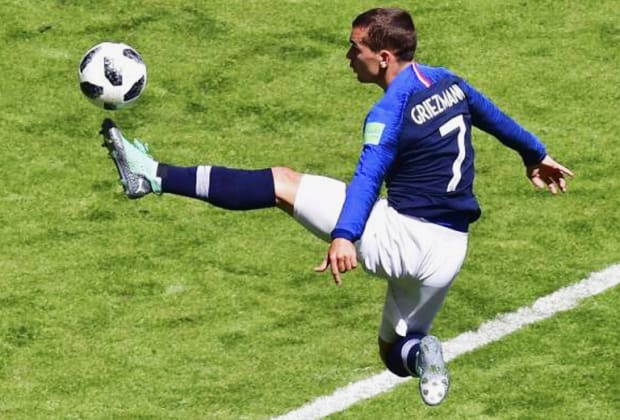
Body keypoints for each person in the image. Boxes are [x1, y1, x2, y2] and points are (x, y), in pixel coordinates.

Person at [100, 7, 573, 406]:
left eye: (355, 48)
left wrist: (345, 235)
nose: (348, 56)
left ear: (383, 57)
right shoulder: (449, 82)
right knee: (395, 352)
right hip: (449, 253)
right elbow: (493, 116)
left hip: (401, 237)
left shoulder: (387, 112)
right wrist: (535, 153)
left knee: (282, 183)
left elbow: (368, 176)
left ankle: (152, 176)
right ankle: (422, 354)